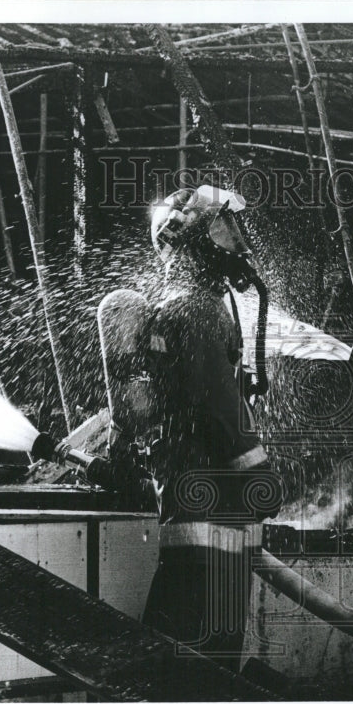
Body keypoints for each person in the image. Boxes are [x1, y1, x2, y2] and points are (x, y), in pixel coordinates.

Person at [97, 185, 281, 673]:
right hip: (217, 509)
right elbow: (222, 406)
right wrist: (260, 473)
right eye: (223, 230)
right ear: (191, 242)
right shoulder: (197, 310)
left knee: (183, 643)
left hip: (192, 509)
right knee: (204, 659)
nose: (236, 244)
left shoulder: (180, 306)